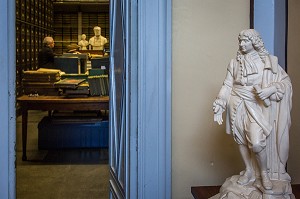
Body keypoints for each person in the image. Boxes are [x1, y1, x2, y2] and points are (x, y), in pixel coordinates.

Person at [213, 29, 292, 191]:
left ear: (254, 42)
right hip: (236, 102)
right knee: (240, 139)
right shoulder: (234, 63)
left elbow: (284, 82)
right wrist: (220, 102)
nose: (241, 44)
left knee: (256, 142)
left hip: (256, 105)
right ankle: (249, 170)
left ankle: (263, 174)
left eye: (245, 41)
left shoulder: (268, 62)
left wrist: (270, 90)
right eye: (240, 41)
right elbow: (228, 85)